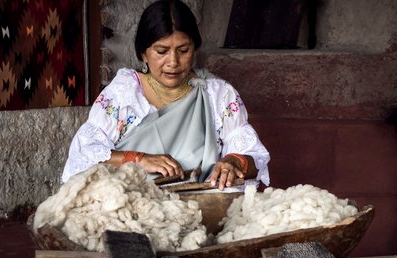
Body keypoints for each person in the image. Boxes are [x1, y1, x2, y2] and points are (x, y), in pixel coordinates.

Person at [61, 0, 270, 191]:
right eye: (161, 51)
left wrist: (234, 161)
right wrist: (138, 159)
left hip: (201, 208)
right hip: (130, 207)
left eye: (183, 50)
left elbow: (254, 158)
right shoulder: (122, 96)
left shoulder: (219, 96)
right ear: (143, 52)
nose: (173, 62)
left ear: (194, 49)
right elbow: (84, 155)